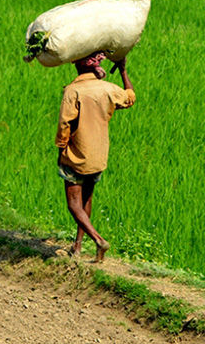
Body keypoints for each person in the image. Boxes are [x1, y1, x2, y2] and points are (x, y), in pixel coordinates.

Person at [55, 51, 136, 263]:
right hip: (99, 155)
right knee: (87, 199)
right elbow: (130, 97)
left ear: (78, 66)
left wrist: (61, 150)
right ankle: (78, 245)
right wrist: (122, 69)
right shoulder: (108, 89)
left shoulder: (73, 91)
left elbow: (65, 125)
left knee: (74, 204)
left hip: (76, 155)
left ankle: (98, 240)